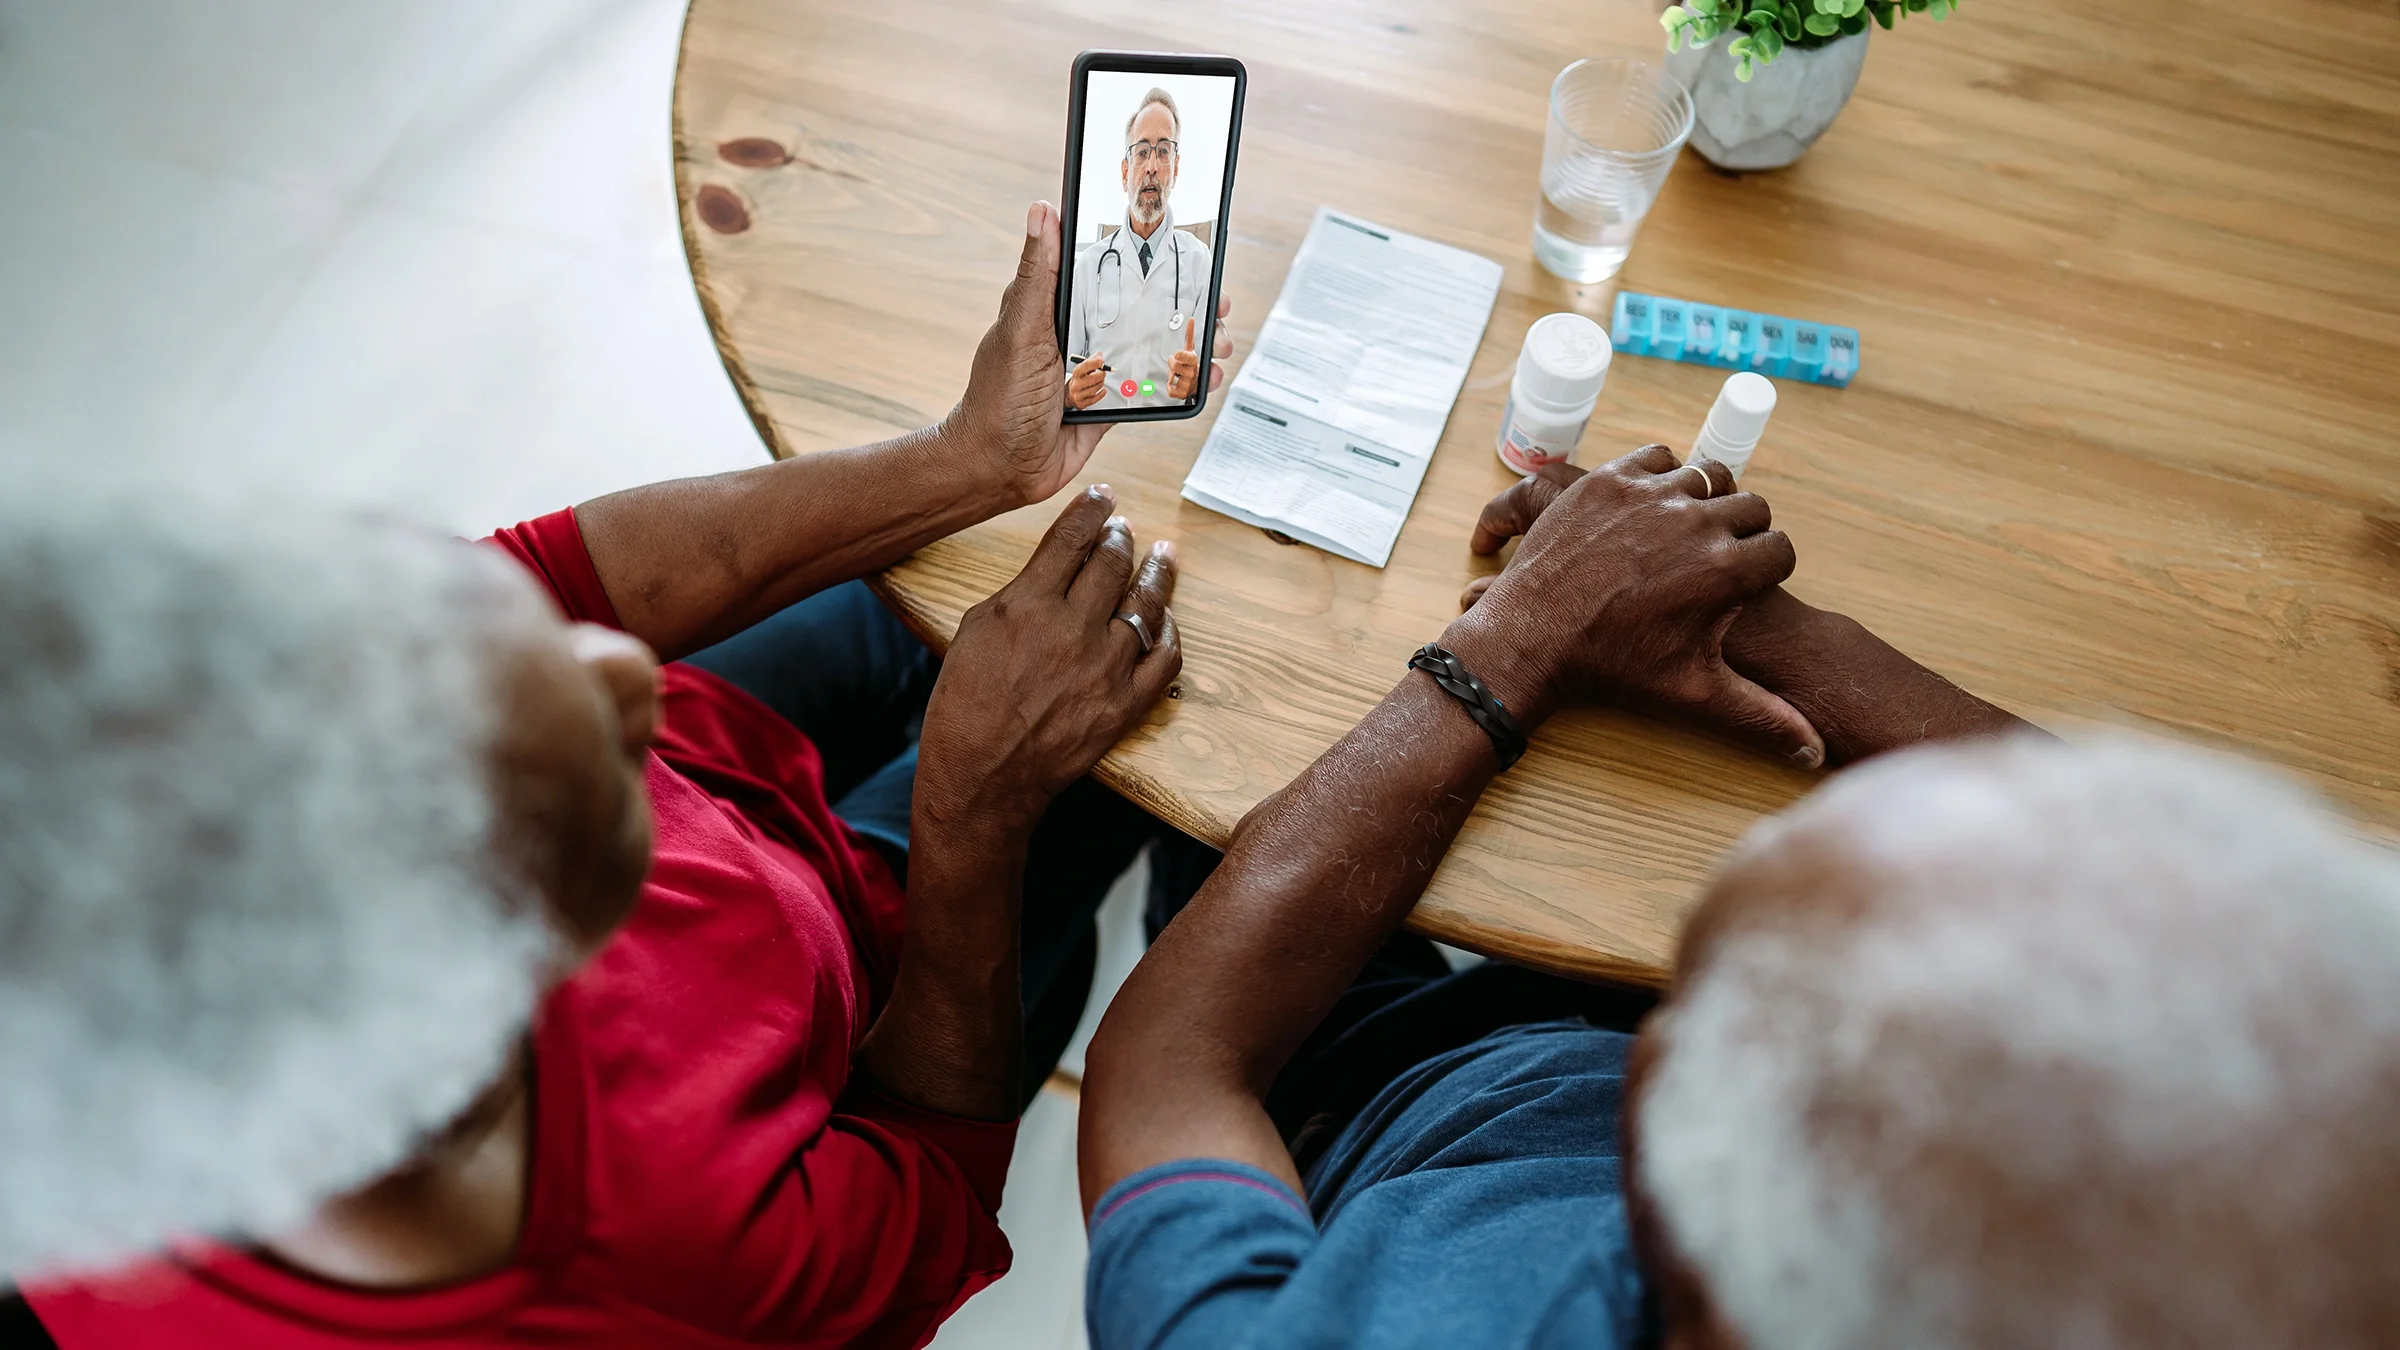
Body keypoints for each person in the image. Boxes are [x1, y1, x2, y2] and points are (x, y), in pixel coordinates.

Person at [5, 199, 1231, 1348]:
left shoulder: (238, 718)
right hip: (888, 981)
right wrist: (976, 810)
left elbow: (556, 580)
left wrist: (967, 462)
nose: (625, 666)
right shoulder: (683, 1261)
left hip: (768, 851)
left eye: (466, 647)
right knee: (1155, 701)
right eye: (599, 767)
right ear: (529, 994)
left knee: (984, 599)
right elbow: (938, 1170)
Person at [1078, 451, 2400, 1347]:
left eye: (1700, 1005)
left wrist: (1519, 640)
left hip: (1365, 1095)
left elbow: (1170, 1068)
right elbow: (2187, 905)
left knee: (1217, 788)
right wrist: (1784, 637)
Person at [1065, 87, 1214, 412]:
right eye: (1142, 152)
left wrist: (1195, 383)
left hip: (1163, 431)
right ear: (1125, 172)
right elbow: (1064, 372)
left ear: (1175, 168)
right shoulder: (1088, 266)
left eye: (1163, 151)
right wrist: (1070, 391)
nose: (1151, 166)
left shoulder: (1200, 261)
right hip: (1097, 426)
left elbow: (1202, 371)